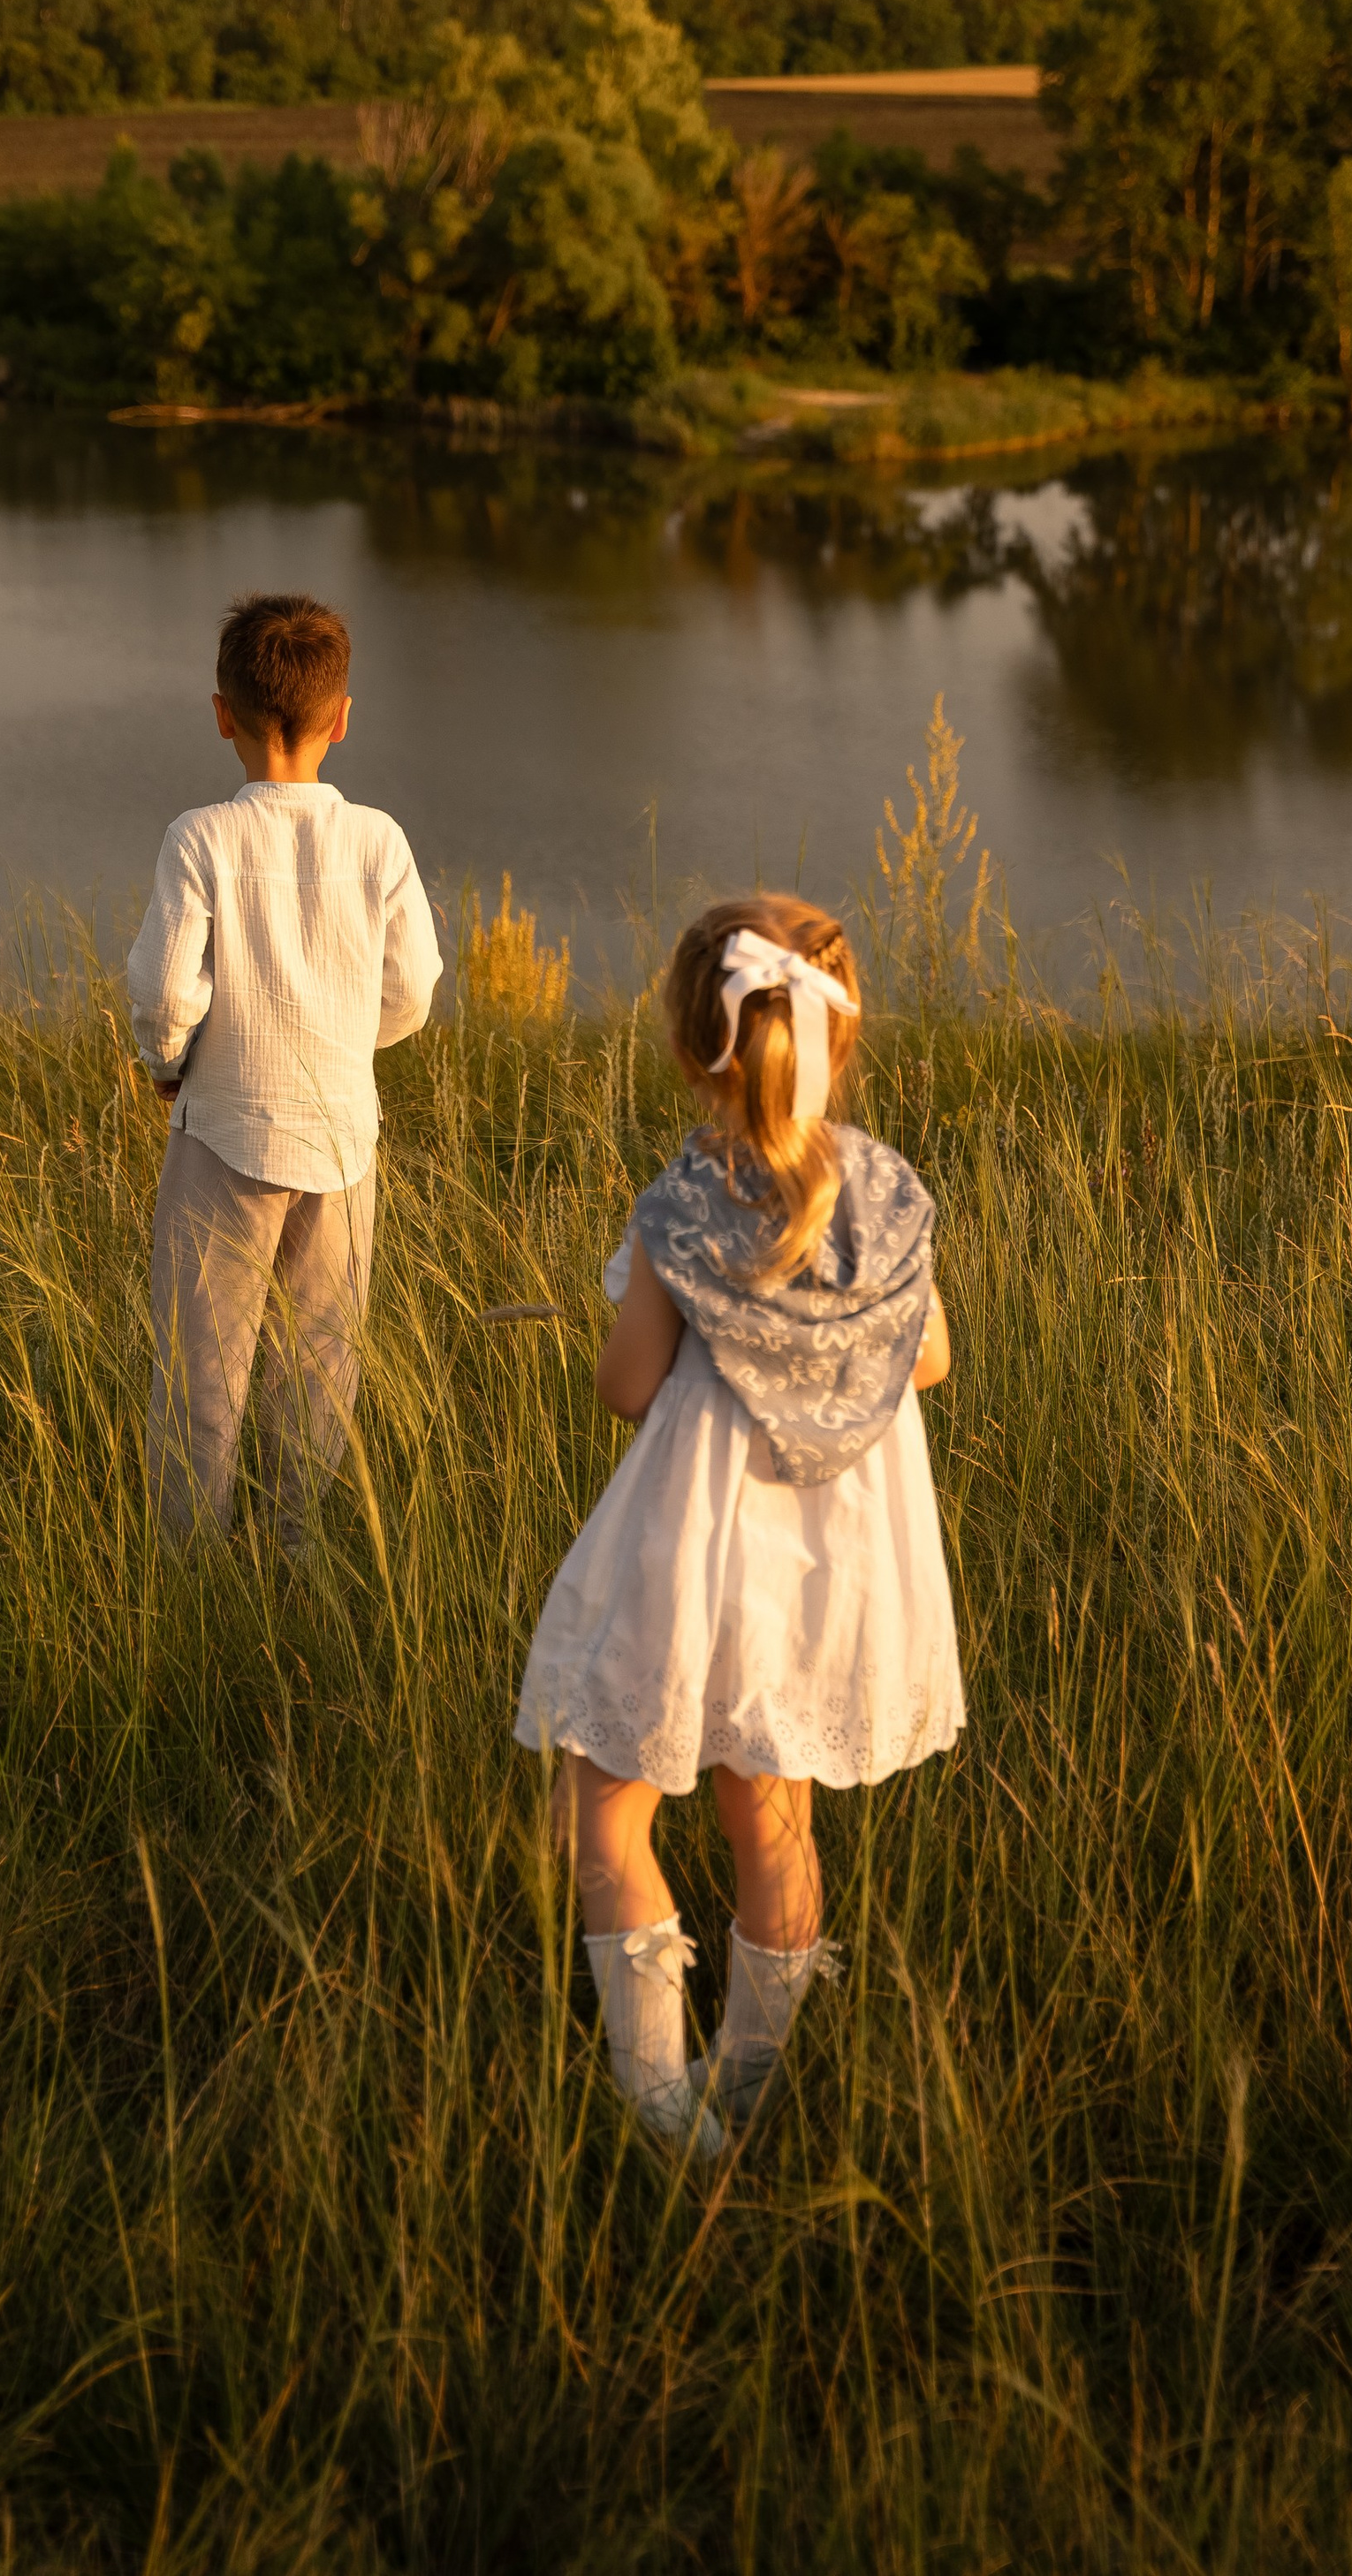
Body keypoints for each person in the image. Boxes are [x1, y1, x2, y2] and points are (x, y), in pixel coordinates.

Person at [514, 892, 963, 2159]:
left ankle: (659, 2099)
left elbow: (626, 1384)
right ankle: (752, 2078)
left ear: (693, 1047)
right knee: (773, 1810)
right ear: (840, 1030)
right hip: (840, 1558)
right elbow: (929, 1364)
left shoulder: (685, 1199)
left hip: (702, 1541)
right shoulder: (887, 1194)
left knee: (607, 1805)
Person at [127, 592, 442, 1548]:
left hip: (222, 1129)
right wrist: (348, 1043)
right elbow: (415, 988)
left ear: (222, 713)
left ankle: (187, 1572)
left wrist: (168, 1063)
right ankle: (291, 1552)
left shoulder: (203, 837)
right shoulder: (379, 841)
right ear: (341, 720)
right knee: (319, 1363)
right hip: (344, 1137)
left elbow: (164, 991)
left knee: (201, 1369)